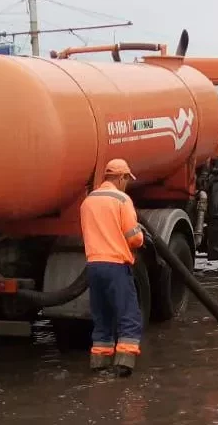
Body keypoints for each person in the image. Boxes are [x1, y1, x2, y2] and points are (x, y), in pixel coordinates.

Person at [80, 158, 148, 377]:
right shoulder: (121, 199)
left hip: (93, 265)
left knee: (102, 316)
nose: (127, 184)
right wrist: (141, 236)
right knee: (129, 315)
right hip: (116, 265)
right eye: (127, 179)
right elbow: (134, 238)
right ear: (121, 177)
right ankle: (124, 365)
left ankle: (99, 363)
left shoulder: (88, 201)